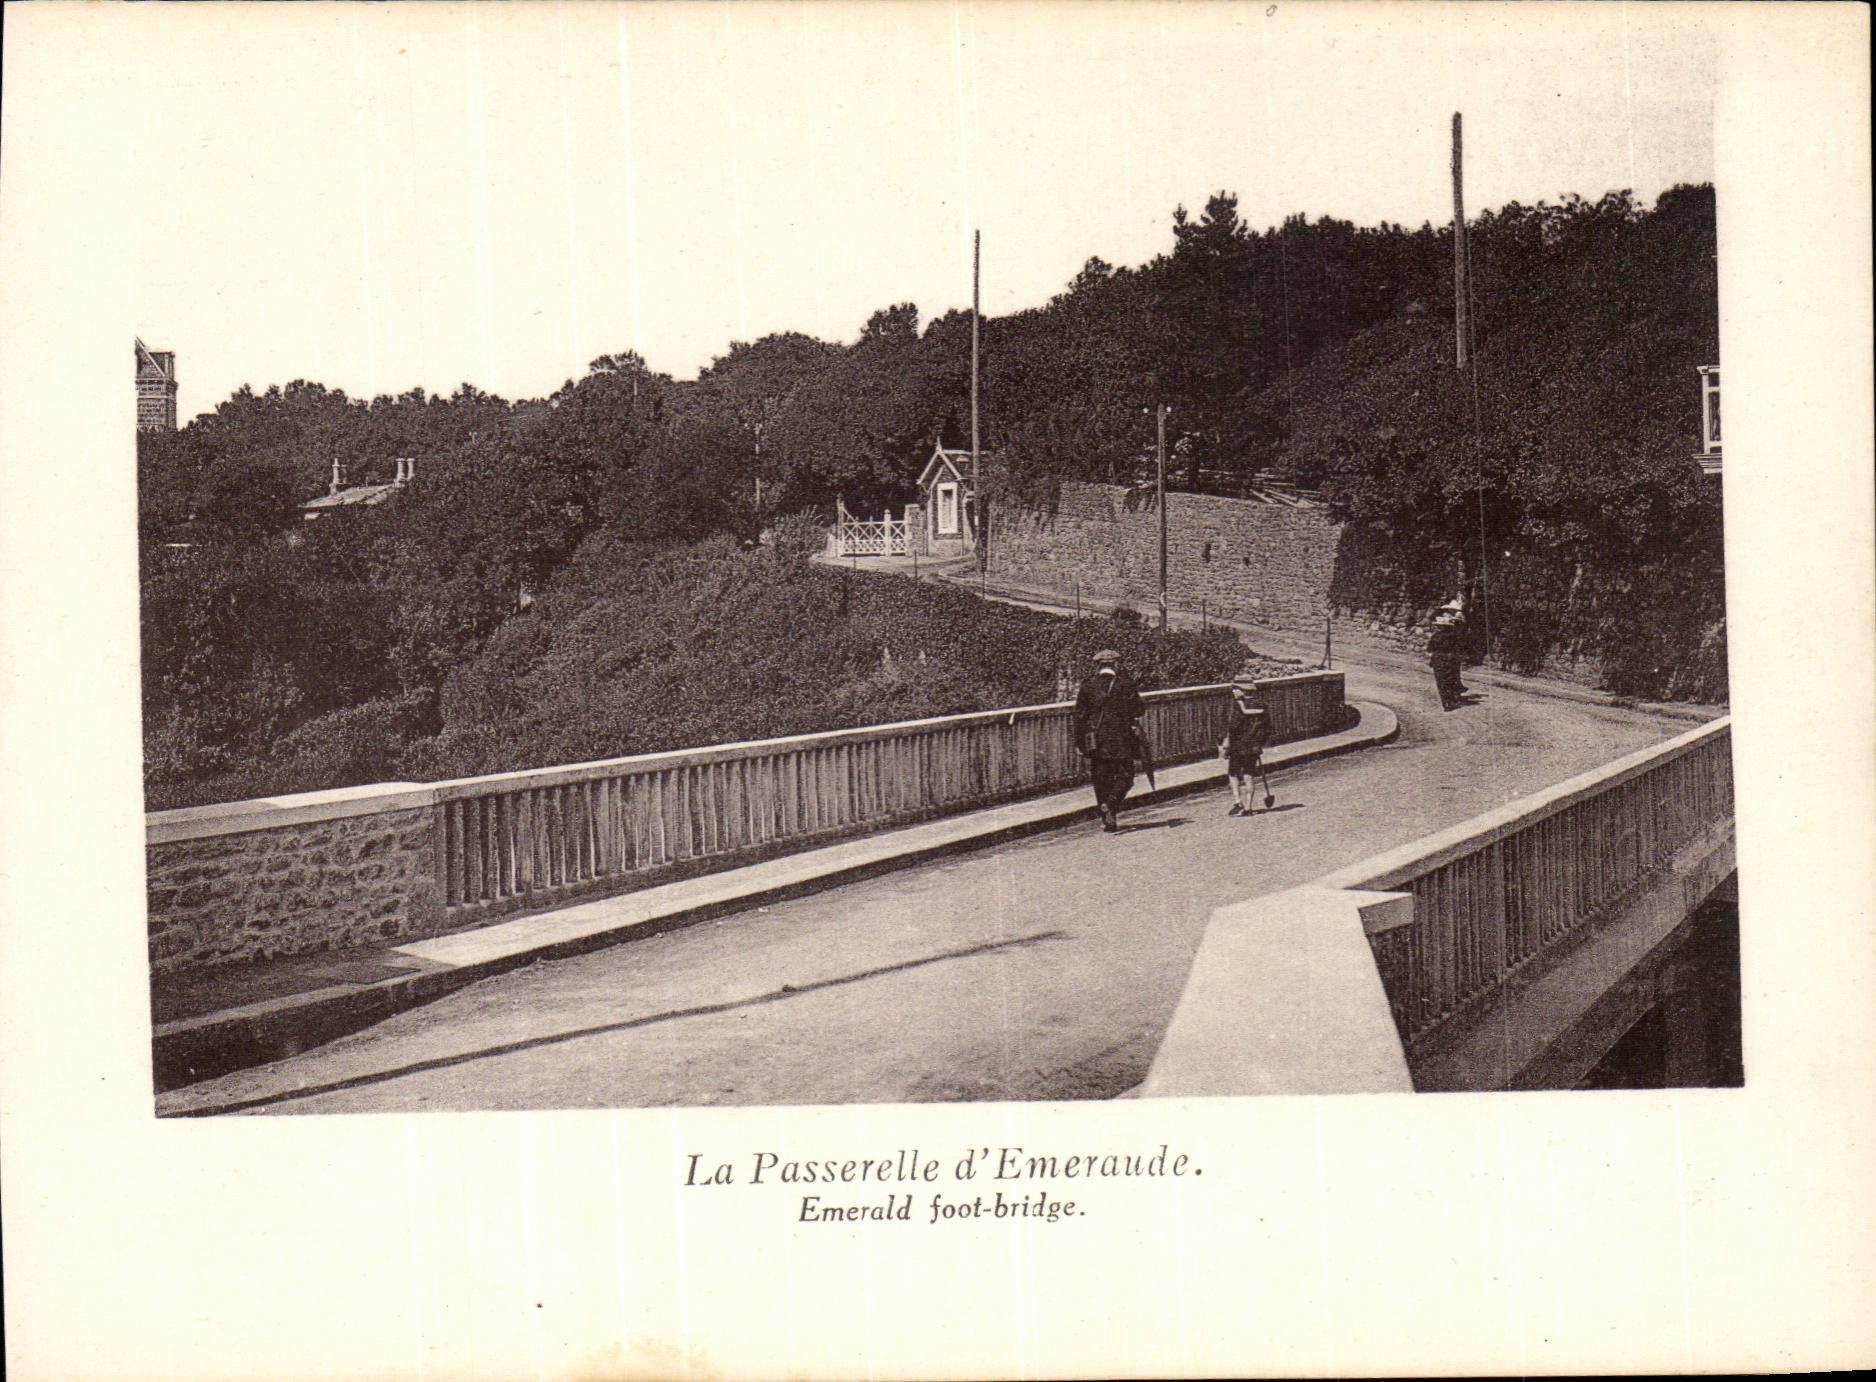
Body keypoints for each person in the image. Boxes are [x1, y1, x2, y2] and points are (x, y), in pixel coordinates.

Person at [1073, 649, 1145, 832]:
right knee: (1126, 777)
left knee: (1100, 778)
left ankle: (1107, 816)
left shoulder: (1088, 685)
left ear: (1098, 665)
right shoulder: (1126, 684)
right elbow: (1139, 710)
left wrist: (1080, 743)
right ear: (1116, 664)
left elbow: (1080, 716)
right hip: (1122, 739)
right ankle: (1111, 804)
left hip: (1096, 741)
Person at [1218, 673, 1273, 816]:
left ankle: (1238, 802)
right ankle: (1248, 808)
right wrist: (1259, 742)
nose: (1233, 691)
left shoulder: (1236, 706)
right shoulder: (1262, 706)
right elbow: (1268, 728)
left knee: (1233, 773)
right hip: (1253, 746)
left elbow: (1232, 727)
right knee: (1249, 775)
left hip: (1238, 746)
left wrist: (1225, 745)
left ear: (1241, 689)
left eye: (1235, 688)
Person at [1427, 603, 1467, 711]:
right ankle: (1450, 701)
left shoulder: (1436, 636)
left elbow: (1429, 649)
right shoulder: (1453, 636)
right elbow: (1458, 648)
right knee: (1449, 679)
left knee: (1440, 681)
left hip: (1437, 660)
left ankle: (1445, 702)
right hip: (1449, 660)